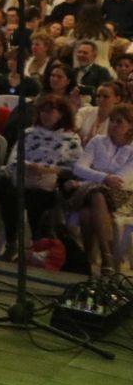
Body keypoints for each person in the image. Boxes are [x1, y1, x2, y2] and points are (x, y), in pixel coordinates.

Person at [0, 93, 82, 262]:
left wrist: (48, 170)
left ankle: (37, 246)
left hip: (47, 184)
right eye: (42, 111)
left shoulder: (71, 139)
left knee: (38, 197)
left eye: (50, 111)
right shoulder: (28, 133)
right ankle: (11, 243)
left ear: (61, 114)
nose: (45, 115)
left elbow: (74, 168)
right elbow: (13, 159)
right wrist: (27, 166)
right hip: (23, 178)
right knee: (7, 191)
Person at [63, 104, 133, 275]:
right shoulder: (98, 141)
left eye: (119, 122)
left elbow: (121, 181)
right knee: (98, 194)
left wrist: (82, 183)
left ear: (130, 126)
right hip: (93, 191)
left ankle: (89, 258)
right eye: (112, 121)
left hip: (121, 195)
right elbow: (79, 168)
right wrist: (104, 177)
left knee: (87, 212)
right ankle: (106, 257)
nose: (113, 125)